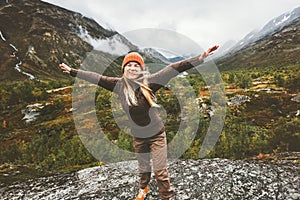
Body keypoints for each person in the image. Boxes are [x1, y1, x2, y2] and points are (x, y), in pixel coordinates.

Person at [59, 45, 218, 200]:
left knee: (160, 171)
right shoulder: (118, 85)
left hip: (157, 135)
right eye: (129, 65)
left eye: (136, 65)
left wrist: (200, 58)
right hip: (138, 137)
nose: (133, 68)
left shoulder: (151, 82)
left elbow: (173, 68)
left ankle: (166, 196)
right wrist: (72, 71)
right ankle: (143, 189)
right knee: (143, 169)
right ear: (124, 69)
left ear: (141, 70)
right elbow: (95, 77)